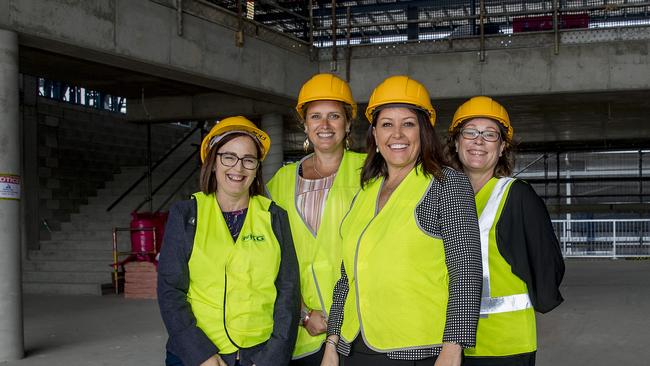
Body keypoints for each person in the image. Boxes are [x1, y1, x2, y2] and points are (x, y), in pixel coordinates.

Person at [320, 76, 483, 366]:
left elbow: (466, 270)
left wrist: (453, 347)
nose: (397, 134)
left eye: (408, 123)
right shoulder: (365, 192)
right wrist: (332, 341)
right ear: (375, 134)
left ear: (423, 130)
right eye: (387, 124)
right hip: (354, 348)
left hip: (418, 352)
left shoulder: (447, 185)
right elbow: (346, 278)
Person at [157, 116, 300, 366]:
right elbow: (171, 291)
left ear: (257, 168)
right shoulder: (187, 215)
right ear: (213, 162)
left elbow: (288, 293)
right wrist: (201, 354)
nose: (238, 167)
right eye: (229, 157)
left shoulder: (274, 216)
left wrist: (272, 358)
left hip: (259, 354)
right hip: (195, 356)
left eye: (248, 159)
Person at [444, 96, 565, 365]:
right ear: (456, 142)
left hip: (504, 344)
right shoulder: (441, 196)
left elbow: (547, 265)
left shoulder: (516, 196)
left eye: (490, 135)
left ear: (501, 148)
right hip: (446, 341)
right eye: (470, 132)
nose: (479, 141)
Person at [267, 73, 365, 365]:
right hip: (304, 331)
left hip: (359, 325)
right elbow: (268, 258)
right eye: (316, 116)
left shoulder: (371, 173)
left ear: (347, 124)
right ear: (305, 125)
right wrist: (303, 314)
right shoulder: (281, 182)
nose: (324, 125)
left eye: (334, 116)